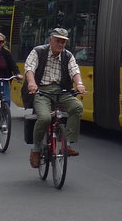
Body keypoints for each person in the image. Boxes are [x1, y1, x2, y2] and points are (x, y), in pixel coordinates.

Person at [24, 27, 86, 168]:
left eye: (63, 42)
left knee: (77, 106)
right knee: (45, 118)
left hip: (61, 91)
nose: (61, 44)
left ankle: (67, 144)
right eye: (58, 41)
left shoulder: (67, 55)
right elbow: (29, 69)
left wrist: (80, 84)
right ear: (50, 40)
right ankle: (36, 149)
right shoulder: (38, 51)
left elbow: (74, 70)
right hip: (41, 91)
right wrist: (32, 83)